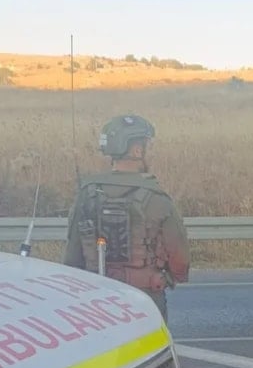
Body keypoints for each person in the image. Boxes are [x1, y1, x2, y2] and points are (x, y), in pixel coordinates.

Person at [63, 114, 191, 323]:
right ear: (137, 150)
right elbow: (180, 257)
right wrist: (169, 277)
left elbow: (72, 257)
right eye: (147, 145)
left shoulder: (87, 193)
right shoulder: (157, 198)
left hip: (97, 295)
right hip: (146, 296)